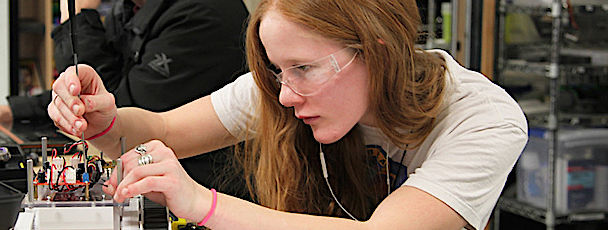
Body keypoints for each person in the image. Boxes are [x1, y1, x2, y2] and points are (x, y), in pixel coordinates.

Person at [47, 0, 528, 229]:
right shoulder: (286, 85)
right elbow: (167, 130)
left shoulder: (480, 117)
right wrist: (104, 121)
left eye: (303, 69)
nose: (284, 95)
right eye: (278, 71)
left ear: (377, 51)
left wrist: (202, 204)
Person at [0, 0, 252, 199]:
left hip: (210, 188)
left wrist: (76, 14)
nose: (285, 90)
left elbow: (127, 101)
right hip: (155, 181)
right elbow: (102, 99)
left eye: (298, 67)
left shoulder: (202, 13)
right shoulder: (131, 9)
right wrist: (12, 112)